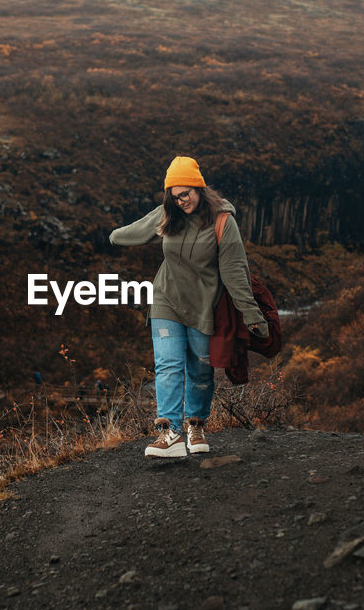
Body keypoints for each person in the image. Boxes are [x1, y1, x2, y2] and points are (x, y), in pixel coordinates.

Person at [109, 156, 269, 458]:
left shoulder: (223, 221)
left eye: (186, 194)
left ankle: (196, 425)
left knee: (199, 370)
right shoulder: (167, 215)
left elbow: (235, 271)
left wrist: (251, 313)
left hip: (203, 308)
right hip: (166, 301)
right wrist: (114, 236)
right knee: (168, 366)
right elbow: (138, 229)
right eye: (175, 195)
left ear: (199, 188)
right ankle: (169, 433)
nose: (181, 201)